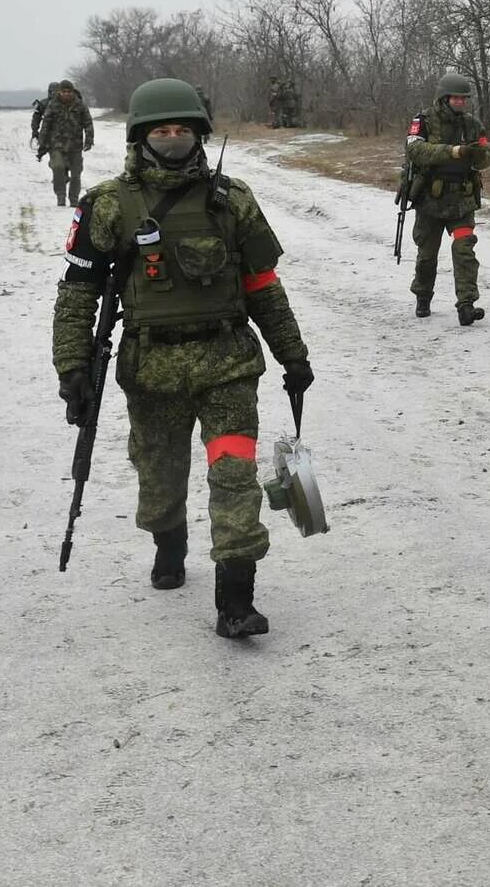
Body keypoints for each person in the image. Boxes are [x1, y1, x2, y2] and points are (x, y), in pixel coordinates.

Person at [53, 77, 313, 639]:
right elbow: (78, 292)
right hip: (152, 371)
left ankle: (235, 600)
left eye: (183, 130)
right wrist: (71, 368)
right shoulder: (106, 204)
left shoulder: (234, 198)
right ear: (142, 137)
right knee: (161, 474)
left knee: (235, 474)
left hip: (228, 365)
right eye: (162, 131)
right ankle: (169, 543)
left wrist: (293, 355)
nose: (173, 139)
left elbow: (263, 284)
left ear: (199, 134)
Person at [404, 72, 490, 325]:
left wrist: (479, 155)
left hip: (461, 201)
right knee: (427, 255)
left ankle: (466, 304)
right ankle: (423, 296)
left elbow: (487, 155)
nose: (461, 103)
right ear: (444, 99)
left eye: (464, 99)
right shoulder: (423, 121)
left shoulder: (472, 124)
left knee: (464, 250)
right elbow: (415, 150)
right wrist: (453, 152)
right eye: (456, 98)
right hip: (430, 200)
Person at [35, 80, 94, 206]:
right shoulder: (53, 105)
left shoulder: (80, 105)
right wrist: (42, 142)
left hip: (75, 144)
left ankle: (74, 199)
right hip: (56, 144)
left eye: (69, 92)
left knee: (76, 173)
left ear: (72, 92)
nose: (66, 94)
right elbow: (46, 124)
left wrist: (89, 139)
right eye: (64, 92)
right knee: (58, 168)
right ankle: (60, 196)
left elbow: (88, 122)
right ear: (59, 92)